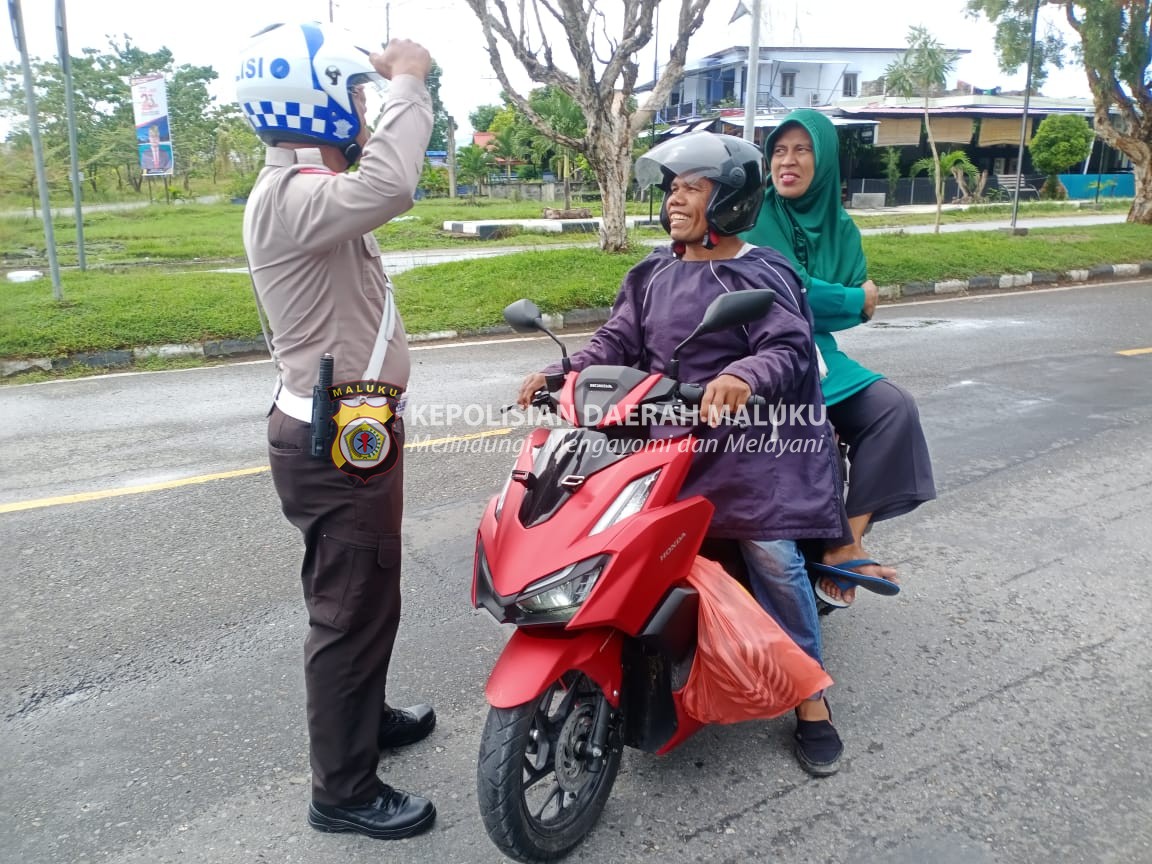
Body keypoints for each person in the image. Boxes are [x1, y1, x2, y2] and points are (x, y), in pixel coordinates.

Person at [517, 132, 849, 776]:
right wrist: (564, 371)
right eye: (671, 187)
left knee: (771, 556)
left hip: (751, 449)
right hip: (666, 439)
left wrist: (744, 376)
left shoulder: (761, 272)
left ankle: (811, 698)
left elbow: (785, 347)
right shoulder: (652, 271)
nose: (675, 198)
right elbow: (616, 339)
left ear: (727, 200)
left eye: (691, 186)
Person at [237, 22, 437, 840]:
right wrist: (410, 80)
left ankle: (364, 718)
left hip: (352, 432)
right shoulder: (292, 198)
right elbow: (394, 183)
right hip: (335, 442)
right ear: (312, 101)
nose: (367, 110)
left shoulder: (310, 196)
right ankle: (343, 790)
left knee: (367, 597)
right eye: (355, 95)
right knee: (348, 610)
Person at [743, 109, 936, 609]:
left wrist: (833, 300)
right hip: (762, 353)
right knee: (815, 431)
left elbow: (824, 308)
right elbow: (786, 290)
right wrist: (852, 299)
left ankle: (844, 540)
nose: (788, 162)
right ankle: (833, 547)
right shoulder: (757, 212)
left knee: (894, 408)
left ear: (824, 159)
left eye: (802, 150)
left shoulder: (842, 225)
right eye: (779, 151)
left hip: (820, 356)